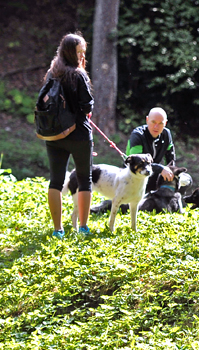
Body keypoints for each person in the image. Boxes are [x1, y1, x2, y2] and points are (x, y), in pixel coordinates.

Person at [43, 33, 94, 238]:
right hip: (79, 134)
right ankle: (82, 227)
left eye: (84, 52)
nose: (82, 56)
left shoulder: (51, 73)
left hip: (54, 134)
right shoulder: (79, 74)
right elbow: (87, 105)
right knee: (84, 180)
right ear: (70, 52)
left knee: (55, 181)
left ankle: (58, 229)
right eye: (79, 52)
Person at [126, 107, 176, 191]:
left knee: (186, 180)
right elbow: (135, 163)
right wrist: (161, 169)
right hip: (134, 176)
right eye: (153, 122)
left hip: (154, 173)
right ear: (147, 120)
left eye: (160, 123)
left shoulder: (166, 134)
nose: (156, 127)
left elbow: (170, 159)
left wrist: (172, 173)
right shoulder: (137, 135)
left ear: (165, 123)